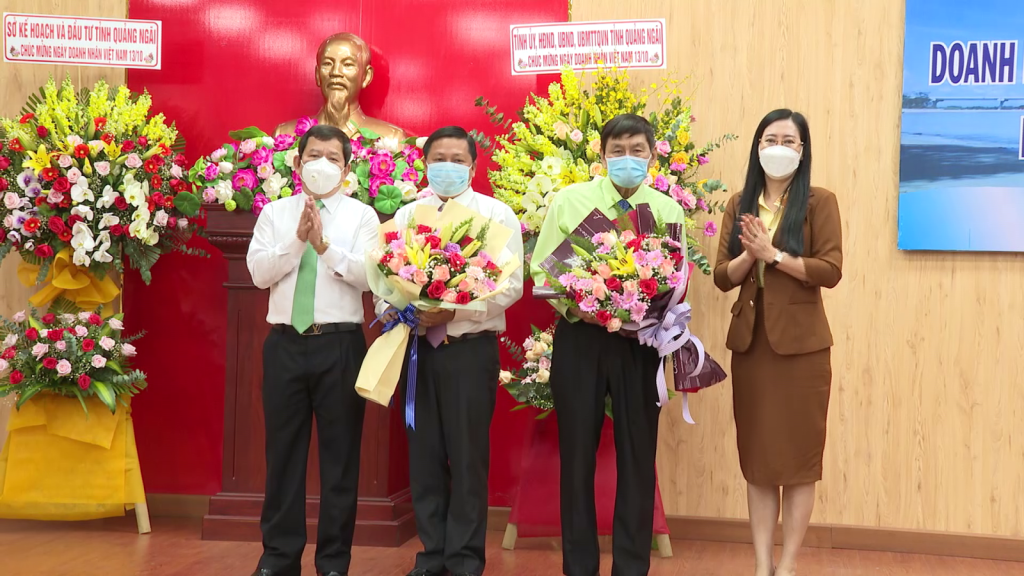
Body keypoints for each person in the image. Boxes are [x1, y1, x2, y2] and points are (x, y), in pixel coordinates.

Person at [530, 114, 686, 576]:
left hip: (640, 344)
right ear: (601, 155)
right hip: (581, 338)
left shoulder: (667, 210)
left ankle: (631, 567)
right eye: (617, 150)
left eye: (637, 150)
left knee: (638, 456)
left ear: (653, 157)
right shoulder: (570, 201)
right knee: (577, 456)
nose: (627, 158)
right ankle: (579, 567)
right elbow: (542, 269)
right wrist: (577, 307)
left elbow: (676, 278)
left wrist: (647, 308)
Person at [380, 126, 524, 576]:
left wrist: (455, 311)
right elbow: (383, 280)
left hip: (469, 350)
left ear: (473, 167)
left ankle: (464, 560)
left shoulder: (496, 215)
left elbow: (511, 287)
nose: (448, 166)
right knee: (423, 456)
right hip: (417, 351)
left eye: (457, 160)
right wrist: (399, 309)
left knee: (466, 458)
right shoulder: (407, 215)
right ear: (425, 164)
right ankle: (432, 556)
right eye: (438, 159)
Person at [713, 109, 842, 576]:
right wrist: (751, 257)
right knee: (760, 460)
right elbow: (722, 276)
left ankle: (787, 566)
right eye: (770, 139)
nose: (779, 148)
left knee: (800, 462)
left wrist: (774, 254)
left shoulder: (819, 202)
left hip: (803, 351)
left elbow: (830, 270)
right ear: (757, 146)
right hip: (753, 348)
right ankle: (761, 564)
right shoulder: (739, 204)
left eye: (789, 140)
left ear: (802, 151)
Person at [247, 124, 380, 576]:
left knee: (340, 459)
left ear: (346, 167)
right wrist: (298, 240)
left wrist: (324, 246)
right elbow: (259, 274)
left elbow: (369, 277)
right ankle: (278, 558)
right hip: (285, 344)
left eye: (333, 158)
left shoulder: (362, 216)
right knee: (283, 456)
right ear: (297, 162)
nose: (322, 164)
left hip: (340, 345)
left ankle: (333, 562)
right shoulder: (274, 213)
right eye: (313, 156)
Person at [275, 32, 406, 141]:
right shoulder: (285, 136)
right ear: (317, 75)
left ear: (366, 76)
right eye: (327, 63)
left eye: (348, 64)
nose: (335, 72)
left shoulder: (391, 139)